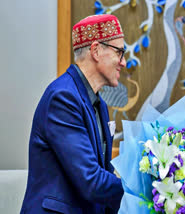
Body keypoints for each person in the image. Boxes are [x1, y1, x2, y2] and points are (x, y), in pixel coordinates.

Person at [21, 14, 126, 214]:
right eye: (119, 52)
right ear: (96, 51)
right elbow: (91, 181)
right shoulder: (63, 98)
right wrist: (146, 188)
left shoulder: (99, 104)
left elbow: (103, 174)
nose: (123, 62)